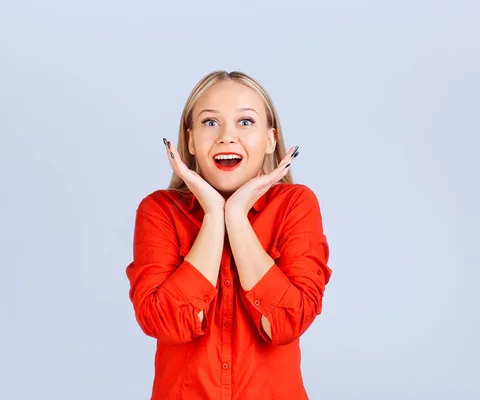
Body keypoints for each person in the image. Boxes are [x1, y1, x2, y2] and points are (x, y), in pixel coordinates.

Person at [125, 70, 332, 400]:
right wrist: (213, 215)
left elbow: (284, 324)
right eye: (210, 123)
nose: (226, 136)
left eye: (245, 122)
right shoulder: (160, 211)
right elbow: (165, 324)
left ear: (270, 140)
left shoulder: (296, 205)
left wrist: (236, 216)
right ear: (190, 140)